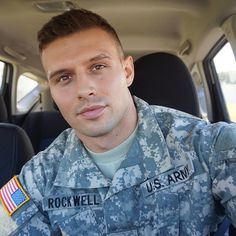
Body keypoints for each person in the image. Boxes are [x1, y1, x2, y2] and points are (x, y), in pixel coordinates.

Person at [0, 8, 236, 236]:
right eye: (64, 77)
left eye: (98, 66)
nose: (84, 90)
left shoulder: (210, 146)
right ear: (52, 91)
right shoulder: (38, 176)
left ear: (127, 71)